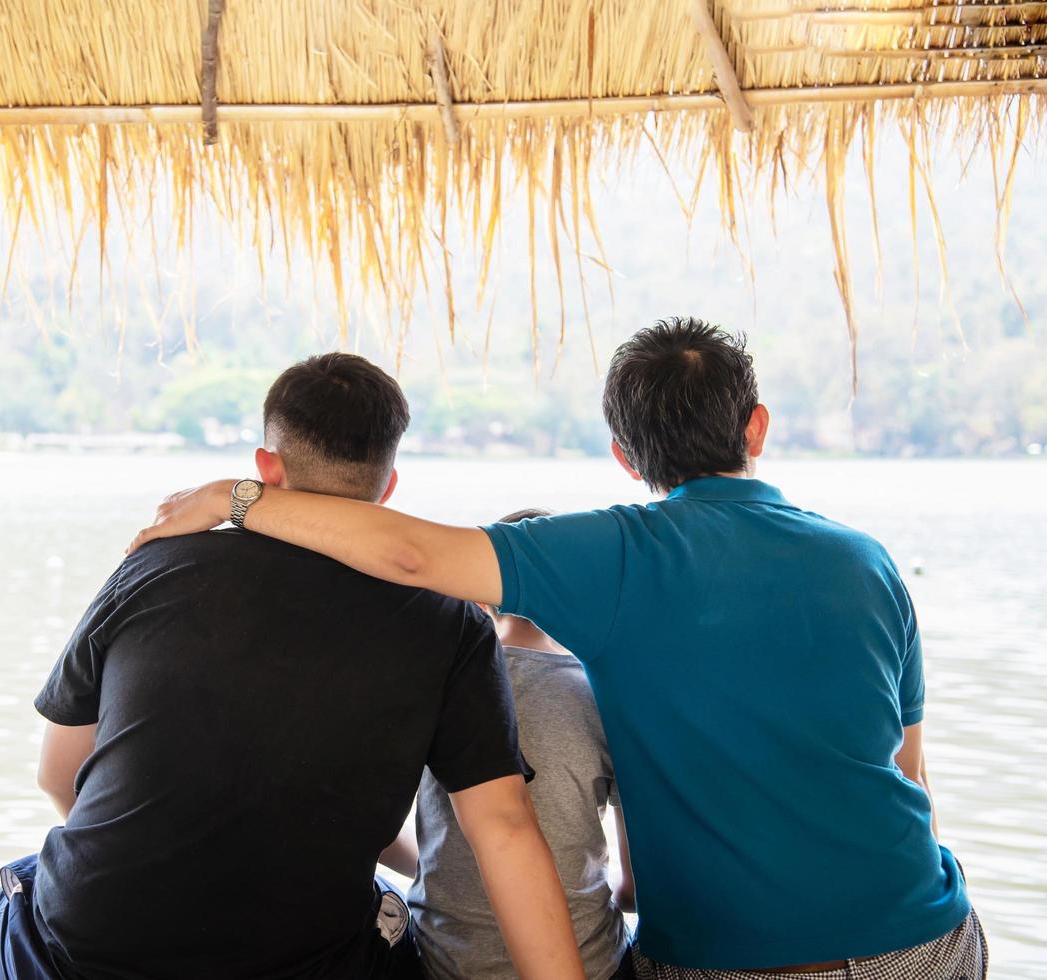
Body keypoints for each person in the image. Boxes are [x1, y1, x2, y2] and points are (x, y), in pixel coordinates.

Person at [131, 318, 988, 980]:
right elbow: (910, 775)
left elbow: (410, 554)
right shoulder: (869, 561)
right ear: (755, 427)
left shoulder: (614, 554)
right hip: (926, 937)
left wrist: (236, 499)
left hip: (724, 962)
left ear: (622, 454)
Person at [0, 352, 588, 980]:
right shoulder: (453, 622)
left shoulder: (152, 566)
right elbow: (503, 829)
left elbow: (56, 775)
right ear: (388, 483)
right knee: (390, 917)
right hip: (303, 962)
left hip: (82, 951)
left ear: (268, 467)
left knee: (20, 887)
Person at [381, 507, 633, 980]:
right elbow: (632, 892)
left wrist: (445, 877)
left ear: (485, 596)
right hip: (587, 963)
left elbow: (379, 838)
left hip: (445, 961)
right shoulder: (605, 700)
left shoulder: (432, 683)